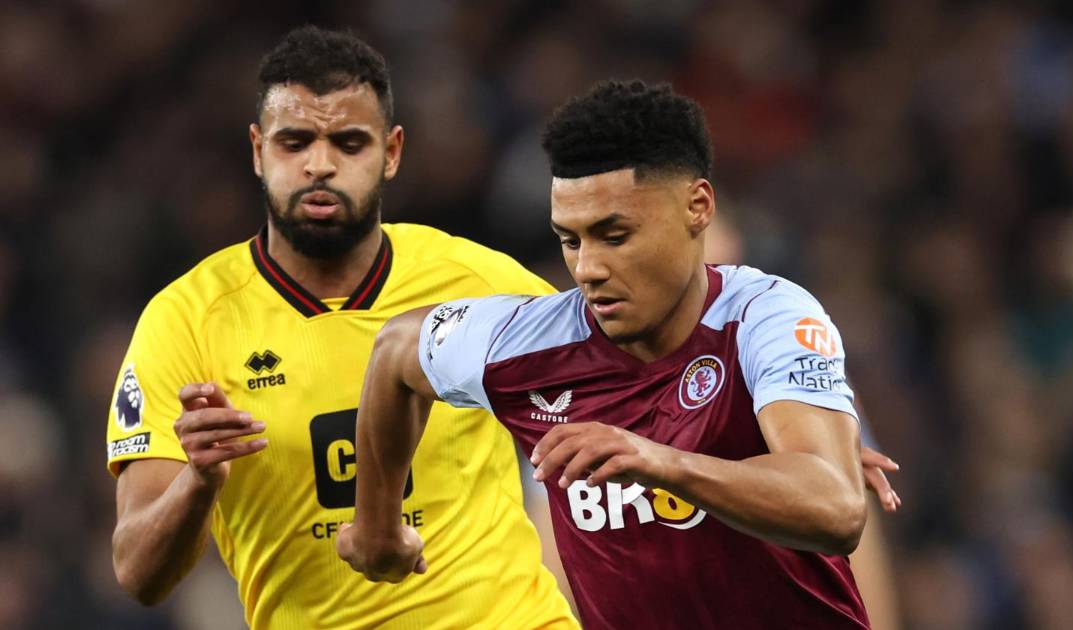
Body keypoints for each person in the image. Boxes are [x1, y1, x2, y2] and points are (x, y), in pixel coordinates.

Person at [339, 80, 890, 628]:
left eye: (615, 235)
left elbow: (837, 510)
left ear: (697, 207)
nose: (588, 269)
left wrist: (657, 461)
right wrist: (377, 528)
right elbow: (396, 351)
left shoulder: (766, 317)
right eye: (571, 240)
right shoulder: (526, 344)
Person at [104, 26, 578, 629]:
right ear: (258, 150)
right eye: (294, 142)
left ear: (392, 152)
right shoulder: (187, 320)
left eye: (349, 143)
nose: (320, 165)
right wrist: (197, 483)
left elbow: (623, 400)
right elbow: (138, 574)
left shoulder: (481, 283)